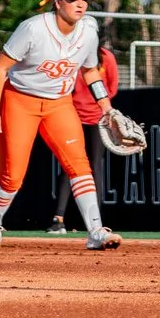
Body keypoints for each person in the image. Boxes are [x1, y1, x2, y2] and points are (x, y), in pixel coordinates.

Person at [0, 0, 123, 251]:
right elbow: (0, 68)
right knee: (14, 175)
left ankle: (95, 230)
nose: (80, 4)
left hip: (59, 103)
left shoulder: (89, 31)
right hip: (20, 100)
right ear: (58, 2)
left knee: (79, 165)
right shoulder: (33, 28)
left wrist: (106, 107)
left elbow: (90, 71)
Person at [50, 45, 119, 235]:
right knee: (69, 165)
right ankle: (58, 219)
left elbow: (111, 88)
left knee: (95, 165)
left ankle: (94, 222)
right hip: (72, 116)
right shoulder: (69, 54)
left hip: (97, 118)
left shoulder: (106, 57)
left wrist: (101, 107)